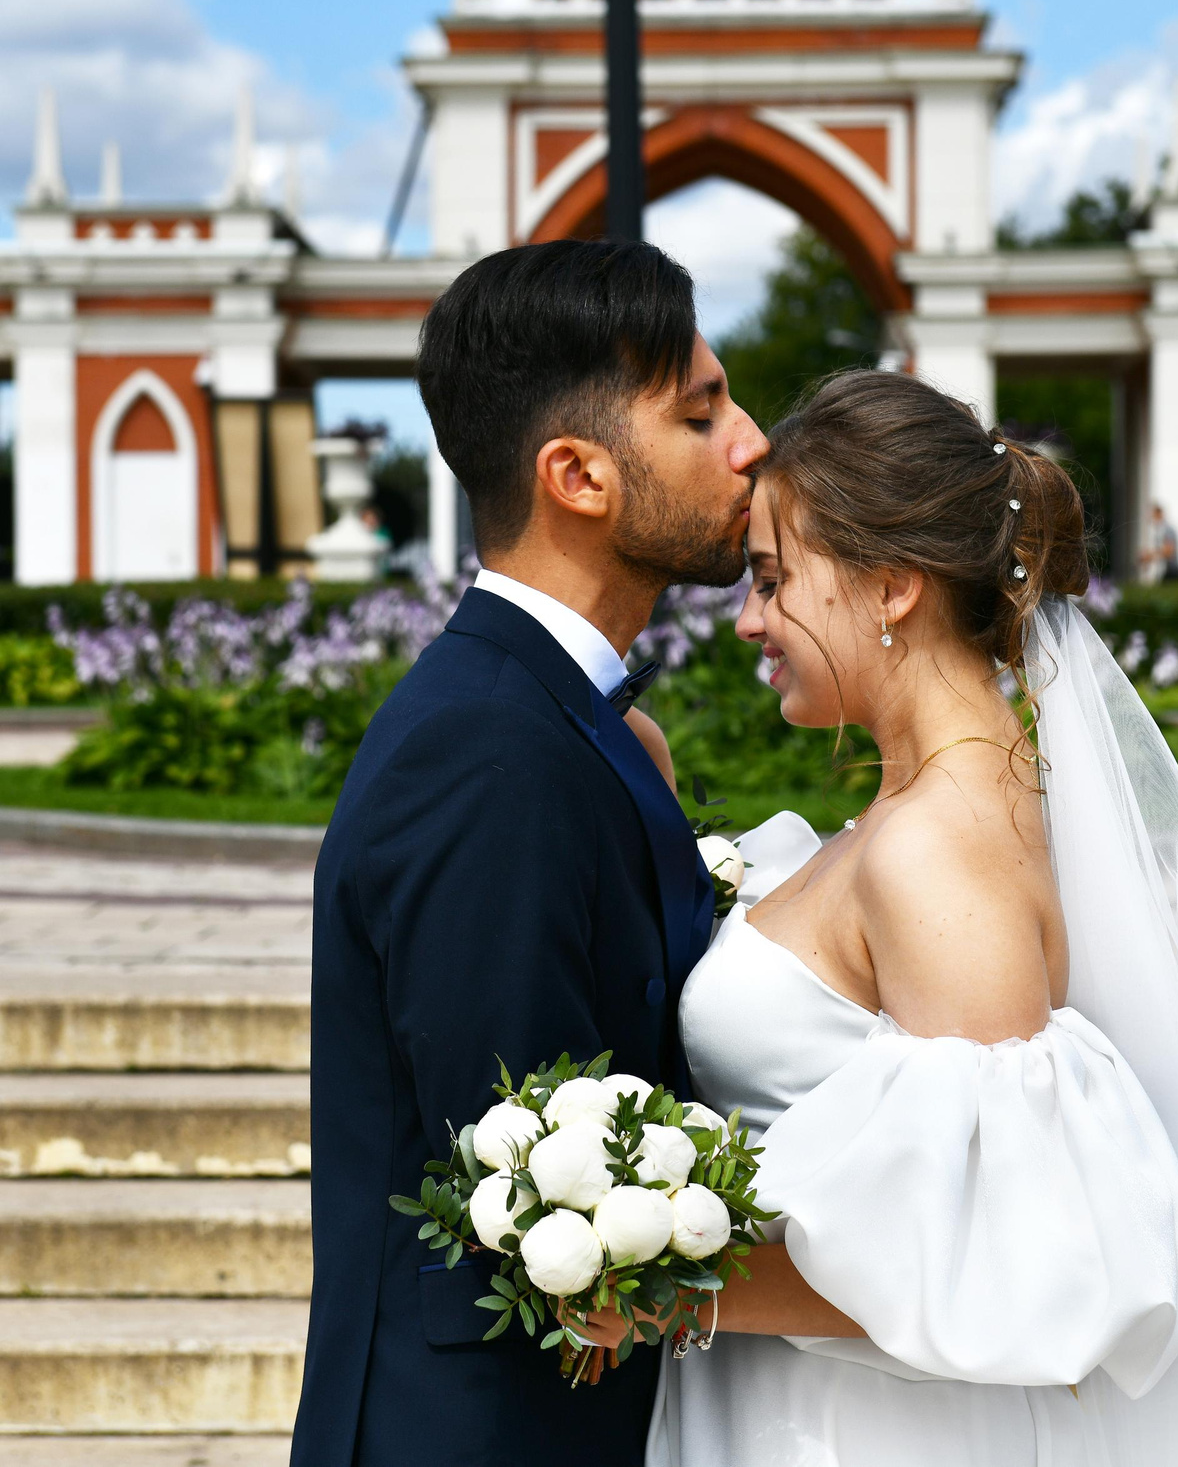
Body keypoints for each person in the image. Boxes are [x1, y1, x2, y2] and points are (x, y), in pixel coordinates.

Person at [639, 369, 1178, 1466]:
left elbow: (998, 1247)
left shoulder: (937, 843)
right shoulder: (939, 810)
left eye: (772, 580)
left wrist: (656, 1282)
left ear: (891, 587)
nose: (747, 621)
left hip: (856, 1432)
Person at [291, 239, 768, 1467]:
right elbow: (530, 1167)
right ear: (578, 474)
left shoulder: (557, 718)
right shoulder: (491, 752)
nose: (751, 441)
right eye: (701, 412)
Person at [1146, 500, 1178, 583]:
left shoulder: (1167, 530)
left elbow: (1169, 551)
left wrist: (1151, 555)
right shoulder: (1158, 531)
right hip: (1165, 572)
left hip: (1172, 572)